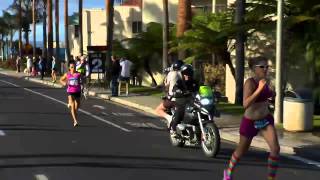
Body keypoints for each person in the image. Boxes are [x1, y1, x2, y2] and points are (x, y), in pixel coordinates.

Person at [223, 57, 279, 180]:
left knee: (275, 149)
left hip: (265, 119)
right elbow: (245, 104)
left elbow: (268, 97)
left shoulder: (267, 81)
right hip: (250, 122)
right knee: (241, 151)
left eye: (267, 67)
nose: (265, 69)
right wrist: (259, 89)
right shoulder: (250, 82)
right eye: (262, 67)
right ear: (254, 69)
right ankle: (228, 172)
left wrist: (272, 94)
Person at [155, 60, 184, 128]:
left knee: (158, 109)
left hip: (174, 98)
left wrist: (165, 81)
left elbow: (166, 85)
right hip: (185, 98)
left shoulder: (171, 73)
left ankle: (169, 118)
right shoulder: (184, 74)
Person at [170, 64, 198, 131]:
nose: (187, 75)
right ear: (182, 74)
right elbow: (174, 89)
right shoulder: (180, 82)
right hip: (181, 101)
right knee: (180, 111)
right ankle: (173, 128)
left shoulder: (195, 82)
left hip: (193, 100)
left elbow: (200, 88)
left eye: (189, 73)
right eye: (185, 74)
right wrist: (178, 91)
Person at [59, 61, 82, 127]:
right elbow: (61, 79)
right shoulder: (67, 74)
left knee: (77, 106)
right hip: (70, 91)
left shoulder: (78, 74)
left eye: (74, 67)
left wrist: (83, 85)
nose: (73, 68)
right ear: (69, 67)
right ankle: (75, 121)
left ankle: (73, 111)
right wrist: (64, 83)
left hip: (77, 91)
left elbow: (82, 81)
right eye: (72, 67)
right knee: (72, 106)